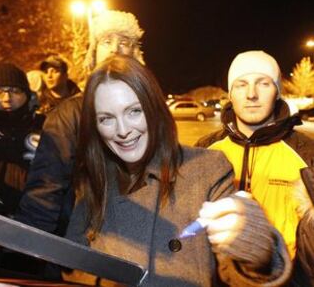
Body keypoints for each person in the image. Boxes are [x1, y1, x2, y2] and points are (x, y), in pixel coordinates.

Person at [63, 55, 291, 286]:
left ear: (154, 108)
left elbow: (236, 274)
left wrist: (256, 247)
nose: (122, 130)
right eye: (106, 118)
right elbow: (73, 267)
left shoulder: (208, 169)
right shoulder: (93, 180)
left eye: (134, 111)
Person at [15, 10, 146, 235]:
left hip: (142, 236)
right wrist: (31, 251)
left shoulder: (150, 110)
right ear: (93, 53)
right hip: (87, 244)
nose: (115, 48)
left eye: (124, 42)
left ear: (135, 53)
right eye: (107, 41)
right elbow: (45, 190)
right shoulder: (69, 114)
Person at [196, 50, 314, 285]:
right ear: (231, 93)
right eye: (241, 84)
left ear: (277, 91)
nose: (251, 94)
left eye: (263, 83)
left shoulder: (306, 152)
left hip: (287, 280)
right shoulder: (205, 149)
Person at [0, 62, 45, 215]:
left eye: (15, 91)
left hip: (41, 215)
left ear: (27, 94)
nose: (7, 98)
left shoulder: (46, 127)